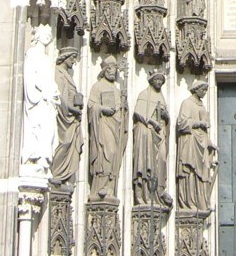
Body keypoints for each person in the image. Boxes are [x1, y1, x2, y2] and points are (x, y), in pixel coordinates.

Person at [21, 24, 60, 178]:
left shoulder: (46, 57)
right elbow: (30, 77)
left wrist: (53, 92)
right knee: (38, 127)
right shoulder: (32, 53)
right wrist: (43, 93)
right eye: (45, 32)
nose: (48, 35)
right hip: (38, 100)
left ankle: (43, 160)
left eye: (50, 33)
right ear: (37, 35)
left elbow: (49, 80)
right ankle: (34, 159)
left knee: (48, 130)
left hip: (48, 101)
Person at [88, 58, 127, 199]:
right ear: (104, 70)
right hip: (103, 124)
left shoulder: (117, 90)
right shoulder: (97, 86)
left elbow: (121, 112)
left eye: (114, 69)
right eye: (109, 69)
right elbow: (91, 106)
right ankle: (99, 187)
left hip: (115, 126)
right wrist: (102, 108)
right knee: (106, 152)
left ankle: (110, 188)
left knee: (114, 154)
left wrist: (124, 108)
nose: (112, 71)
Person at [175, 82, 217, 210]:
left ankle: (201, 202)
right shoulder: (187, 103)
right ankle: (189, 202)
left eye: (206, 90)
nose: (205, 92)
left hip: (201, 143)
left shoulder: (202, 106)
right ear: (196, 89)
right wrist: (198, 123)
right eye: (203, 90)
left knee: (203, 172)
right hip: (190, 142)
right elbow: (181, 124)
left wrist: (209, 143)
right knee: (190, 171)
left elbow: (204, 130)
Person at [133, 70, 172, 206]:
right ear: (151, 81)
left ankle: (159, 192)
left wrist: (166, 116)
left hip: (160, 135)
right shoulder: (144, 95)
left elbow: (166, 119)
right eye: (157, 79)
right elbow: (138, 113)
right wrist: (151, 122)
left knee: (162, 160)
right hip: (148, 134)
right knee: (147, 163)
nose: (159, 82)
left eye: (161, 80)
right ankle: (144, 195)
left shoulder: (162, 97)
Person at [52, 47, 84, 187]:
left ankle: (65, 175)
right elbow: (59, 97)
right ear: (64, 57)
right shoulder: (58, 73)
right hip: (64, 116)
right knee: (64, 143)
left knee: (70, 144)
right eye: (72, 58)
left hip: (71, 117)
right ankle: (57, 173)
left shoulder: (66, 74)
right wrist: (71, 109)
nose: (74, 61)